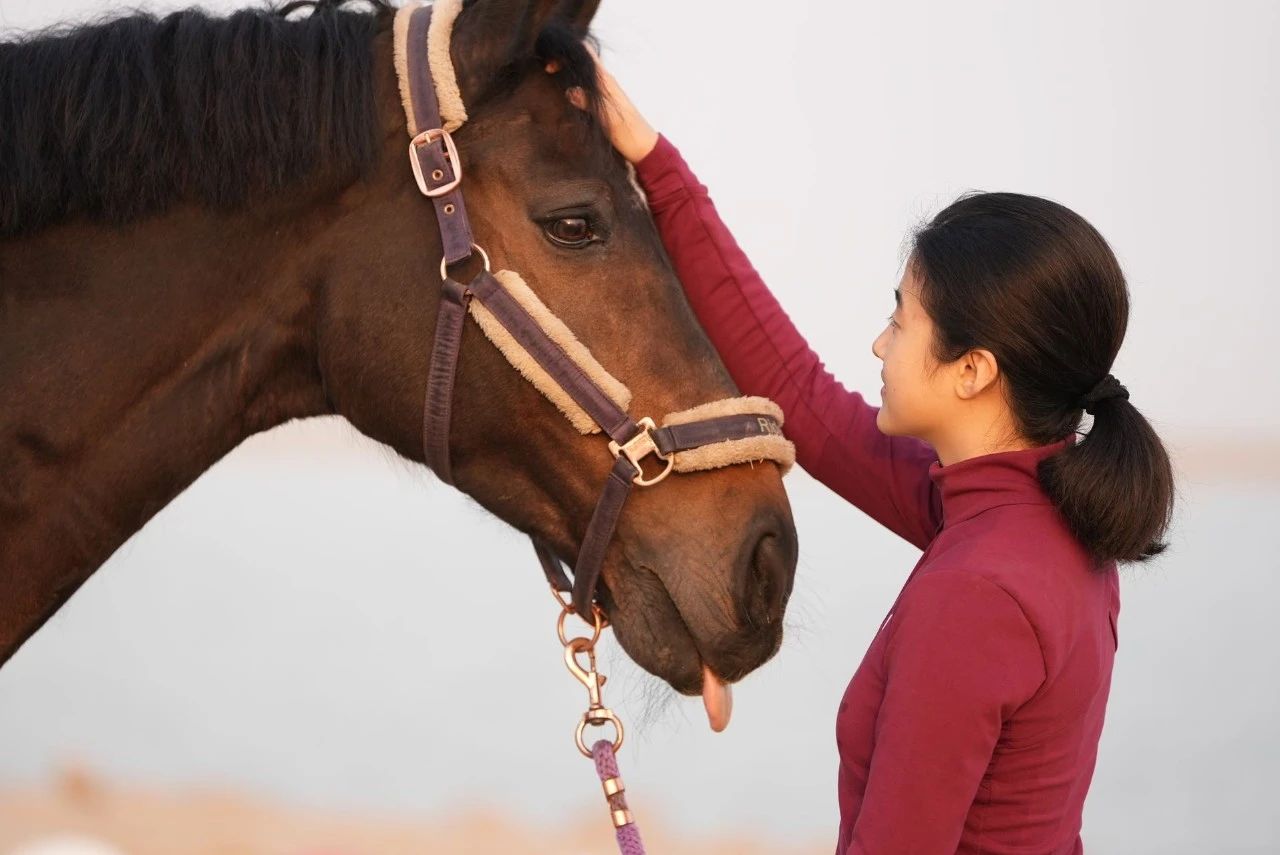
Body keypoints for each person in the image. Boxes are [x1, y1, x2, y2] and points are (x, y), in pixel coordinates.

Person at [555, 53, 1176, 854]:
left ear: (973, 370)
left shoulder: (979, 589)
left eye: (902, 318)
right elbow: (800, 396)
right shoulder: (1040, 522)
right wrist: (657, 167)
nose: (879, 343)